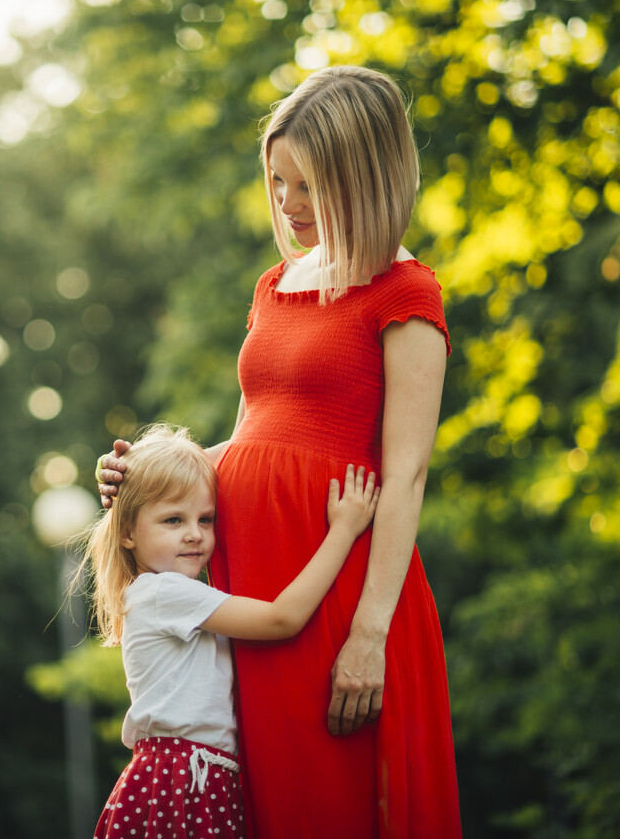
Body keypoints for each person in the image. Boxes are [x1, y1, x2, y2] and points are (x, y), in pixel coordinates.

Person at [97, 65, 463, 837]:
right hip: (250, 579)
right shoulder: (276, 286)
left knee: (326, 799)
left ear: (362, 176)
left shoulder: (405, 293)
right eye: (277, 182)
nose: (289, 205)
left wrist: (369, 633)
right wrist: (146, 481)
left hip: (331, 583)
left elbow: (406, 476)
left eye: (308, 185)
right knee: (261, 803)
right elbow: (253, 434)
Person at [81, 424, 379, 839]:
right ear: (127, 532)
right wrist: (344, 530)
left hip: (192, 774)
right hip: (183, 780)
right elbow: (282, 618)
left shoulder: (163, 592)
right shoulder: (166, 591)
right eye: (173, 519)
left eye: (206, 519)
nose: (194, 534)